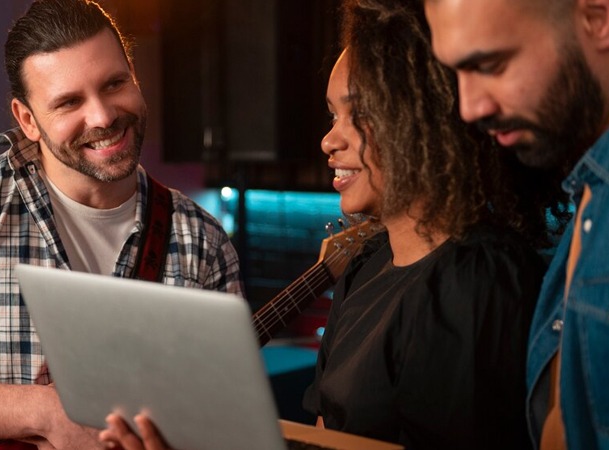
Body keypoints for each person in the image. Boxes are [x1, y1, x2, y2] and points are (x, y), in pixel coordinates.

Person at [98, 0, 567, 449]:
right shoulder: (366, 262)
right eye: (331, 114)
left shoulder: (478, 279)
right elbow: (325, 432)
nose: (328, 140)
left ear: (424, 119)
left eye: (358, 114)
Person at [0, 1, 243, 449]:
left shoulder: (203, 239)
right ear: (27, 120)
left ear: (134, 76)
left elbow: (222, 418)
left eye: (114, 84)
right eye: (69, 102)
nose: (103, 116)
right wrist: (46, 413)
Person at [424, 0, 609, 448]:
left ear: (599, 19)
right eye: (456, 72)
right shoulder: (591, 186)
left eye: (490, 65)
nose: (469, 108)